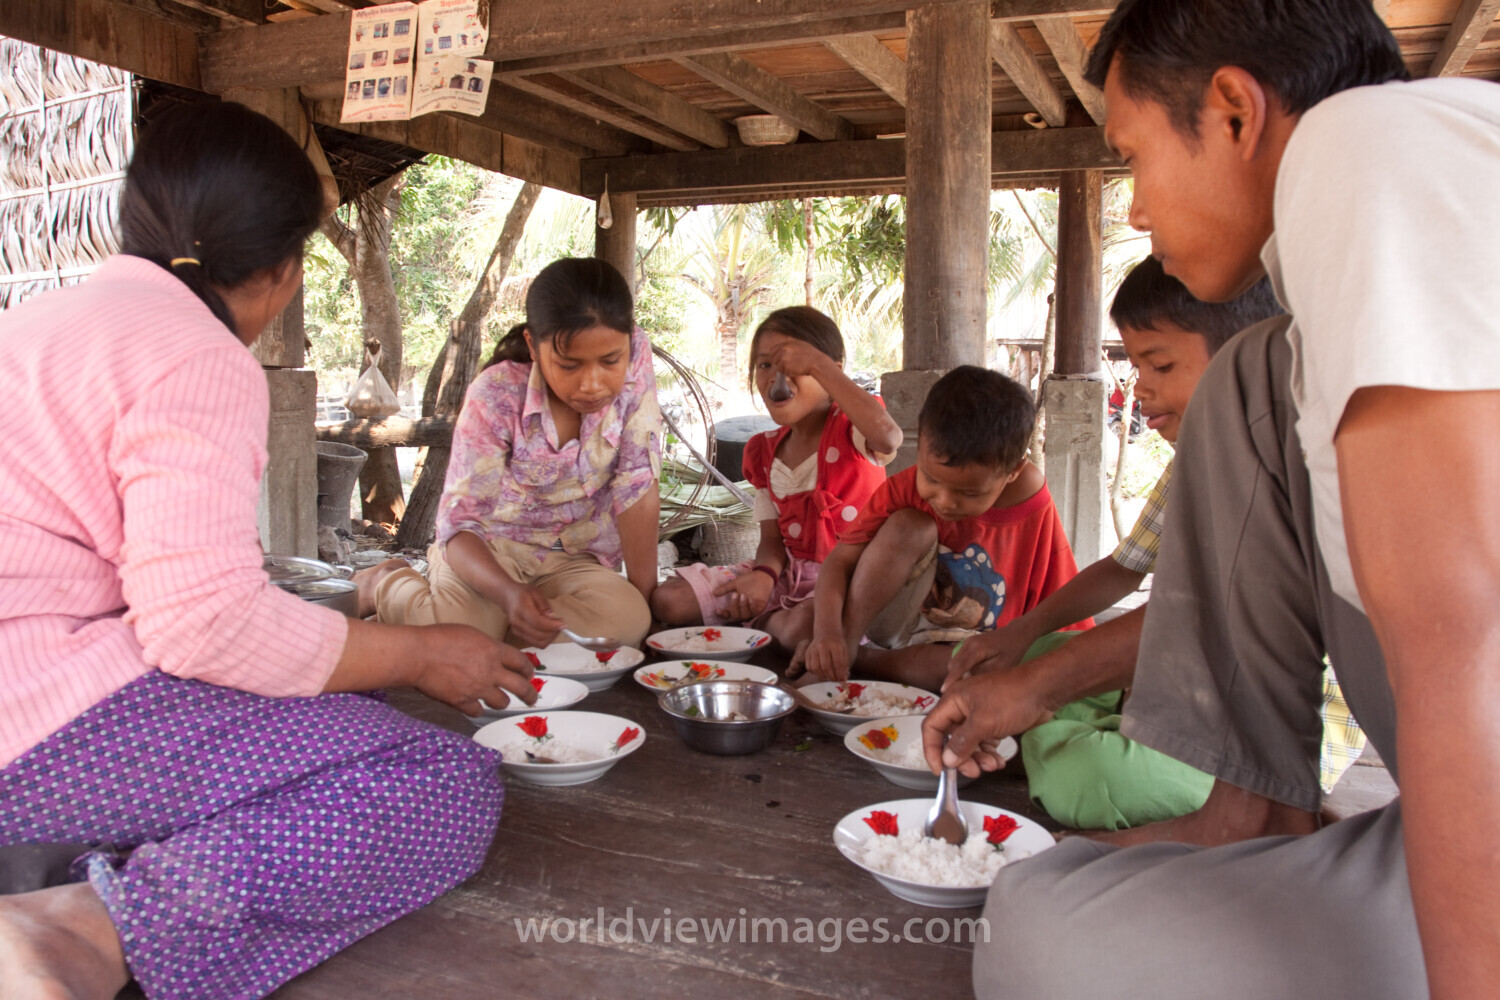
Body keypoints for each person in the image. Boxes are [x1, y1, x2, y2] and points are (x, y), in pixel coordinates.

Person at [924, 2, 1500, 997]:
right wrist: (1034, 681)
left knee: (1047, 937)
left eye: (1134, 153)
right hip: (1444, 834)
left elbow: (1467, 655)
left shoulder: (1363, 149)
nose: (1137, 207)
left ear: (1234, 111)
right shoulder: (1276, 364)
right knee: (1035, 911)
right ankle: (1251, 811)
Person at [0, 102, 537, 1000]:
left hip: (41, 712)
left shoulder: (38, 322)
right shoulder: (192, 351)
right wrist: (417, 654)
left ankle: (75, 870)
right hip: (38, 735)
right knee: (440, 778)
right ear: (284, 272)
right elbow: (204, 625)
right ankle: (79, 930)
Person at [938, 256, 1283, 830]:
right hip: (1171, 689)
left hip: (1250, 742)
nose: (1140, 388)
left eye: (1161, 364)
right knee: (999, 659)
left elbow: (1205, 626)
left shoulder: (1285, 474)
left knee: (1088, 780)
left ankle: (1044, 734)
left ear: (1249, 357)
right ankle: (1046, 726)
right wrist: (1023, 633)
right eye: (1136, 366)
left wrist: (1037, 691)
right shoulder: (1192, 463)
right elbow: (1124, 568)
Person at [373, 257, 662, 650]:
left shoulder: (636, 355)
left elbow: (637, 485)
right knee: (468, 631)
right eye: (569, 364)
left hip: (578, 560)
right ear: (533, 345)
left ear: (628, 341)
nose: (593, 384)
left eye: (610, 361)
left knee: (628, 619)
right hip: (491, 552)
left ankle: (492, 631)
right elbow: (460, 527)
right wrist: (509, 594)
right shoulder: (495, 393)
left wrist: (649, 616)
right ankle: (386, 583)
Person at [794, 366, 1088, 692]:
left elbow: (1057, 589)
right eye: (931, 479)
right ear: (920, 446)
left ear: (1013, 472)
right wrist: (830, 636)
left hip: (977, 648)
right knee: (909, 526)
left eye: (969, 493)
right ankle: (844, 651)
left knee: (971, 669)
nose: (945, 502)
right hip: (900, 627)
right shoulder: (903, 489)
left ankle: (857, 660)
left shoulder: (1029, 497)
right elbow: (839, 561)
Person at [650, 306, 902, 650]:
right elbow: (771, 541)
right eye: (765, 365)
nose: (776, 376)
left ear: (832, 372)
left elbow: (889, 437)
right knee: (670, 600)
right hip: (783, 574)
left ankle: (769, 627)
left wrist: (818, 365)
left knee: (802, 626)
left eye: (796, 365)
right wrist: (763, 578)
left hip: (844, 583)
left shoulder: (854, 432)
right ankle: (767, 623)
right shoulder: (763, 452)